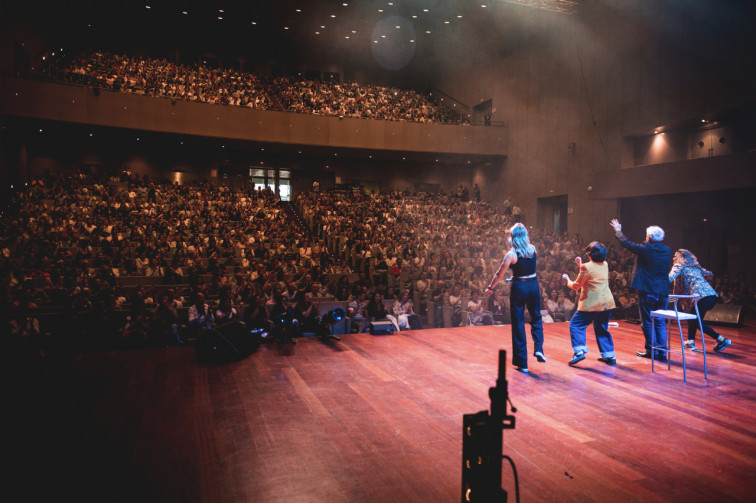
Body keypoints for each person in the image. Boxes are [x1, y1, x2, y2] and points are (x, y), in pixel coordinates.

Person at [485, 223, 545, 373]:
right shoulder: (532, 249)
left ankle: (522, 364)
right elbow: (528, 270)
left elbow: (499, 274)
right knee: (536, 317)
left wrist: (491, 288)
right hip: (533, 285)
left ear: (512, 237)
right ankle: (539, 348)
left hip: (519, 287)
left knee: (518, 323)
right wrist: (515, 277)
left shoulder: (511, 255)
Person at [610, 219, 671, 361]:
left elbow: (627, 244)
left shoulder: (647, 248)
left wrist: (618, 230)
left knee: (648, 321)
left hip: (648, 290)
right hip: (663, 291)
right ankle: (662, 352)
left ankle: (651, 351)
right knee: (660, 321)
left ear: (649, 237)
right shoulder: (667, 250)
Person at [562, 242, 617, 366]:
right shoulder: (605, 264)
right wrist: (580, 265)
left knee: (575, 325)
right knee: (601, 328)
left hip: (591, 304)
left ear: (591, 254)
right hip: (606, 303)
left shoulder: (586, 267)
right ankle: (609, 355)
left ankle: (579, 352)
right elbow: (593, 273)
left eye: (588, 252)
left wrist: (567, 280)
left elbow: (576, 286)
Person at [669, 249, 732, 352]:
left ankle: (722, 339)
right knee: (694, 319)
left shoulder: (678, 266)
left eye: (675, 256)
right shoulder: (696, 268)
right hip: (711, 296)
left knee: (695, 321)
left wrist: (655, 279)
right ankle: (690, 342)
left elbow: (670, 278)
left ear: (680, 259)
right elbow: (710, 274)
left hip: (700, 297)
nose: (673, 258)